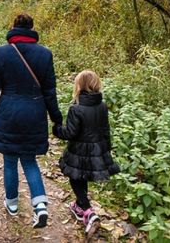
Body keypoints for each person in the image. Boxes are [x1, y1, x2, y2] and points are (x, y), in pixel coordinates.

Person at [0, 14, 62, 228]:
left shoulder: (2, 52)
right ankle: (40, 205)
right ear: (32, 29)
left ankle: (12, 204)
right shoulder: (45, 54)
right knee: (29, 160)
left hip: (9, 112)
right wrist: (56, 118)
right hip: (35, 112)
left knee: (9, 160)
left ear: (14, 27)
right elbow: (50, 92)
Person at [52, 70, 121, 234]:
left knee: (75, 179)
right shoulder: (102, 106)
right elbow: (106, 129)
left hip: (79, 151)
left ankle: (89, 212)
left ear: (79, 86)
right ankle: (79, 206)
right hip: (97, 149)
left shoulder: (76, 109)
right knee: (82, 177)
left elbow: (70, 133)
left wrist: (56, 129)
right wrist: (107, 149)